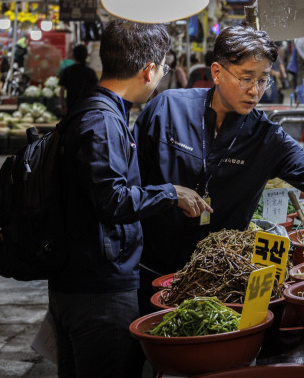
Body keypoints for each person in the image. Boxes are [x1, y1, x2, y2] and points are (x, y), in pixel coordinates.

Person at [133, 25, 304, 313]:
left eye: (263, 79)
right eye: (245, 78)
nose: (255, 91)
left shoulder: (266, 137)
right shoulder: (167, 109)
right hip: (149, 268)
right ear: (216, 72)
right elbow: (129, 181)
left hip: (218, 277)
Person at [48, 19, 210, 378]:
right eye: (163, 68)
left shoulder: (92, 109)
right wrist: (170, 192)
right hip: (98, 293)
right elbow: (112, 200)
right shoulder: (102, 122)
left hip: (79, 283)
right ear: (149, 70)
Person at [59, 44, 99, 114]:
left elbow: (62, 90)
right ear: (86, 56)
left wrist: (62, 105)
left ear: (73, 56)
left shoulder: (68, 71)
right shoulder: (90, 72)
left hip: (71, 107)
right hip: (86, 107)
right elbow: (96, 91)